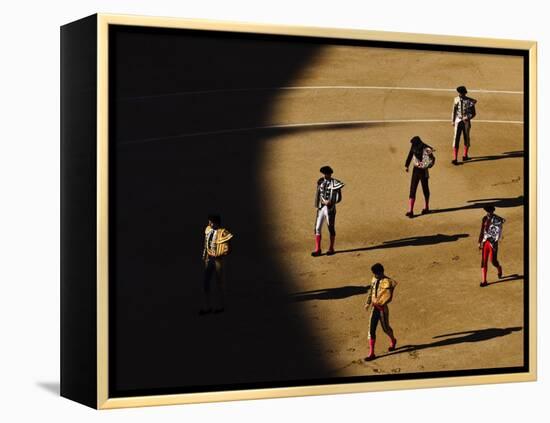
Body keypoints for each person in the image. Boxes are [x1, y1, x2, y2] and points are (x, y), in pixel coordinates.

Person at [200, 214, 233, 315]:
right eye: (209, 221)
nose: (209, 223)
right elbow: (206, 245)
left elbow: (227, 250)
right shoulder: (208, 229)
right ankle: (207, 306)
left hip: (218, 260)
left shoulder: (223, 232)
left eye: (211, 221)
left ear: (216, 222)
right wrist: (205, 256)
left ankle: (220, 306)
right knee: (206, 283)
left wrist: (217, 254)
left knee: (219, 283)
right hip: (209, 260)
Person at [364, 263, 398, 361]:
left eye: (376, 274)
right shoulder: (374, 279)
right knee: (371, 330)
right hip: (375, 308)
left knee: (386, 329)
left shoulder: (388, 282)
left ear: (381, 272)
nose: (375, 276)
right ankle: (371, 353)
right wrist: (368, 302)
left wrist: (380, 301)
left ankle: (393, 340)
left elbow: (388, 297)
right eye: (374, 274)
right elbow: (371, 291)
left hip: (383, 309)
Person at [311, 165, 345, 257]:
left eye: (328, 174)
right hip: (321, 208)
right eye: (325, 174)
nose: (326, 176)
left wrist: (331, 202)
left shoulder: (335, 183)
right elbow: (318, 193)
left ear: (330, 174)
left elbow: (339, 198)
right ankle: (318, 249)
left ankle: (331, 248)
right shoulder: (320, 181)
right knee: (317, 228)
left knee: (331, 228)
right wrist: (319, 203)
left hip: (330, 208)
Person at [404, 136, 435, 218]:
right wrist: (406, 165)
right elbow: (410, 154)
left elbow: (432, 159)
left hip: (423, 171)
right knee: (413, 189)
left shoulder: (425, 148)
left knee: (425, 188)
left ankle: (426, 207)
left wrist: (428, 165)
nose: (412, 146)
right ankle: (410, 210)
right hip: (416, 170)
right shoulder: (415, 146)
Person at [478, 206, 504, 287]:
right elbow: (482, 230)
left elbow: (500, 227)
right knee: (484, 261)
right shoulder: (484, 218)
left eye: (490, 211)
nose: (489, 213)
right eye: (488, 211)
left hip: (493, 243)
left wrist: (499, 237)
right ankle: (484, 281)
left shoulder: (497, 219)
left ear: (493, 211)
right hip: (485, 241)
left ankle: (499, 268)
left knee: (493, 261)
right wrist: (479, 241)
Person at [452, 85, 477, 165]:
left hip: (466, 122)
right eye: (459, 93)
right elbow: (454, 111)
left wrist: (468, 117)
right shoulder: (456, 100)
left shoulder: (470, 101)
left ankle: (465, 155)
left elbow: (473, 113)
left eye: (461, 93)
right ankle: (455, 158)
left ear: (464, 93)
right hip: (458, 121)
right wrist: (453, 121)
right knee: (456, 139)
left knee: (466, 138)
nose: (460, 94)